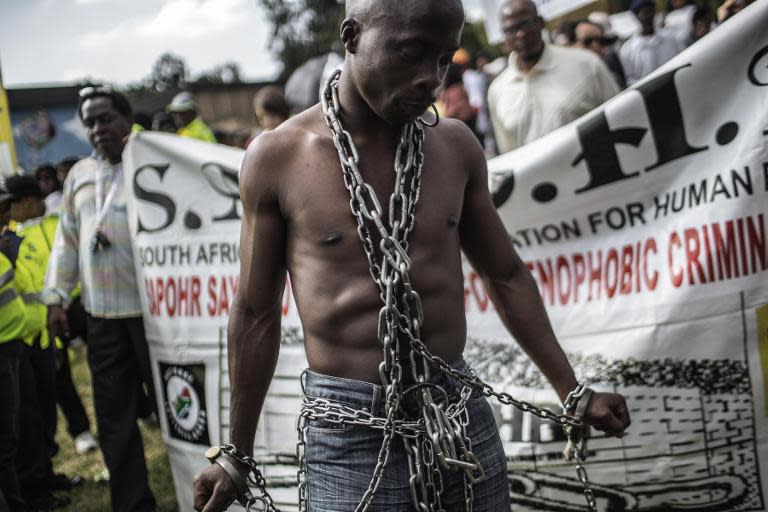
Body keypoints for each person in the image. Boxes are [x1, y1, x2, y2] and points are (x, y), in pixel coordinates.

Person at [192, 1, 631, 511]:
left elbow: (505, 274)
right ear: (352, 36)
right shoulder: (279, 158)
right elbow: (255, 311)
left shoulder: (455, 147)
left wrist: (572, 391)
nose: (431, 78)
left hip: (459, 410)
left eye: (444, 59)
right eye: (411, 53)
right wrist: (235, 454)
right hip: (350, 431)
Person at [44, 87, 157, 512]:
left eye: (106, 118)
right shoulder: (79, 176)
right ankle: (132, 503)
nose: (98, 129)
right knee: (115, 418)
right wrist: (56, 296)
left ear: (126, 119)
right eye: (90, 122)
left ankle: (198, 489)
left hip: (155, 316)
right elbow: (66, 242)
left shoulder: (154, 162)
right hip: (103, 318)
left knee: (177, 410)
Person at [5, 175, 71, 510]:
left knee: (45, 411)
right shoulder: (10, 243)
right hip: (19, 343)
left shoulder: (19, 238)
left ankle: (44, 473)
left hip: (40, 337)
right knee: (26, 420)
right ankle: (32, 485)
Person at [487, 0, 619, 154]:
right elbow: (509, 155)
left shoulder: (587, 64)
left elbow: (619, 118)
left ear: (540, 23)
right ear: (503, 36)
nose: (520, 34)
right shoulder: (497, 91)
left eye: (525, 24)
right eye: (511, 29)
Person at [620, 0, 684, 86]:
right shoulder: (627, 49)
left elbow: (680, 61)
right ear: (637, 16)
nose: (649, 16)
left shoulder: (671, 38)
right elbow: (631, 80)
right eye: (645, 13)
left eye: (651, 11)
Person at [573, 19, 627, 89]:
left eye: (600, 40)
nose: (595, 45)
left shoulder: (612, 62)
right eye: (587, 41)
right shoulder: (575, 74)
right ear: (575, 44)